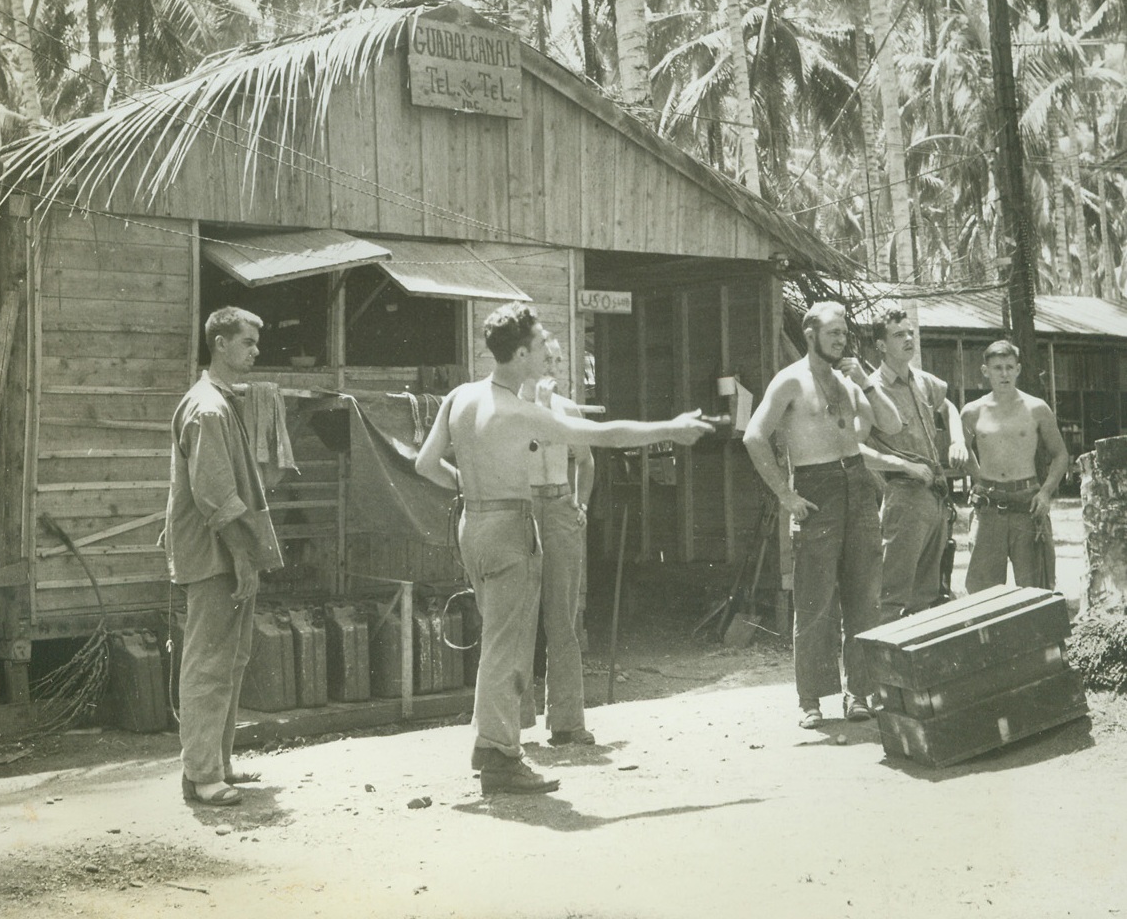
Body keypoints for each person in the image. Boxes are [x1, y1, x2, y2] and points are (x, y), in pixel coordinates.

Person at [415, 303, 711, 795]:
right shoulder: (517, 409)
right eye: (540, 343)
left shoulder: (461, 396)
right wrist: (670, 429)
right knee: (506, 649)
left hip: (473, 524)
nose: (547, 350)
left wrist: (469, 487)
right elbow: (602, 434)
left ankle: (490, 746)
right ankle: (500, 757)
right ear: (522, 353)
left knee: (499, 639)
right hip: (509, 525)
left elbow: (426, 465)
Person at [742, 301, 903, 729]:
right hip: (816, 487)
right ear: (811, 335)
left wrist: (865, 381)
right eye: (833, 332)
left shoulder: (848, 382)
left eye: (844, 332)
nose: (841, 339)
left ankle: (860, 693)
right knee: (815, 600)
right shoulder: (789, 381)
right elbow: (753, 437)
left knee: (863, 597)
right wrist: (786, 495)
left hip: (857, 484)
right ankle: (811, 699)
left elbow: (892, 424)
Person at [163, 307, 283, 806]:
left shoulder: (221, 401)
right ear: (219, 343)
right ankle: (202, 776)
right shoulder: (208, 409)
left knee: (230, 660)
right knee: (209, 664)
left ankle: (217, 765)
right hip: (214, 555)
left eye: (256, 342)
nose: (256, 350)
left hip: (224, 553)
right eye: (248, 342)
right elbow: (214, 495)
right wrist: (242, 557)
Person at [862, 308, 969, 622]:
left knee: (926, 595)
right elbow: (853, 447)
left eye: (909, 333)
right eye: (899, 335)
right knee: (891, 597)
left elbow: (948, 406)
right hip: (903, 495)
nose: (909, 339)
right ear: (881, 345)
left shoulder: (922, 380)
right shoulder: (872, 389)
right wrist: (902, 465)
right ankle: (879, 669)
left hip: (935, 494)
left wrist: (957, 439)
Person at [517, 335, 596, 746]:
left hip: (560, 505)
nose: (553, 367)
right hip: (524, 509)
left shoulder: (568, 409)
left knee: (562, 617)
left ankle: (567, 722)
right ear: (528, 360)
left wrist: (579, 504)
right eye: (546, 359)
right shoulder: (513, 406)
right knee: (519, 616)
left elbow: (585, 460)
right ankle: (513, 724)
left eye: (559, 361)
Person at [961, 341, 1068, 593]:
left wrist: (1045, 492)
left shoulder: (1037, 408)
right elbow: (961, 448)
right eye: (997, 368)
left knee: (1036, 589)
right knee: (983, 592)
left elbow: (1060, 454)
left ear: (1018, 369)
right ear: (985, 371)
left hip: (1027, 504)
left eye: (1010, 367)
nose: (1004, 374)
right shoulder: (972, 412)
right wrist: (978, 477)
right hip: (988, 508)